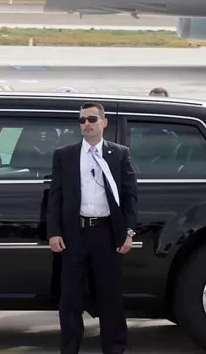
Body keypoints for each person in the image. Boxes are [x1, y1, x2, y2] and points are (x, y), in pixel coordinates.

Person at [47, 101, 138, 354]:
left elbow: (130, 196)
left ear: (103, 122)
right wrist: (54, 231)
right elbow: (55, 196)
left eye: (91, 119)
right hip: (75, 234)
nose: (86, 124)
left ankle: (115, 348)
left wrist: (128, 231)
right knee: (71, 299)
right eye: (82, 120)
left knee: (110, 297)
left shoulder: (119, 154)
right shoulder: (65, 155)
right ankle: (70, 348)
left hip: (106, 234)